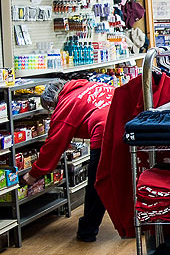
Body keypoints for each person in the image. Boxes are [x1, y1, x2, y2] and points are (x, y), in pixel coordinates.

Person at [22, 79, 115, 242]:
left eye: (50, 109)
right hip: (131, 125)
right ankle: (142, 223)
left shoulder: (66, 104)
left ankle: (87, 231)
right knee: (131, 176)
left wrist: (34, 174)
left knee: (97, 184)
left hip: (105, 134)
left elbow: (53, 144)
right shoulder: (89, 85)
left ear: (53, 101)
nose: (52, 112)